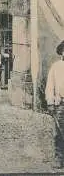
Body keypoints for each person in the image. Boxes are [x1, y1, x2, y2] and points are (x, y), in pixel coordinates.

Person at [45, 40, 64, 169]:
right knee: (59, 133)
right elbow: (49, 86)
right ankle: (59, 158)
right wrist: (50, 103)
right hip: (60, 104)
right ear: (62, 52)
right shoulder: (56, 67)